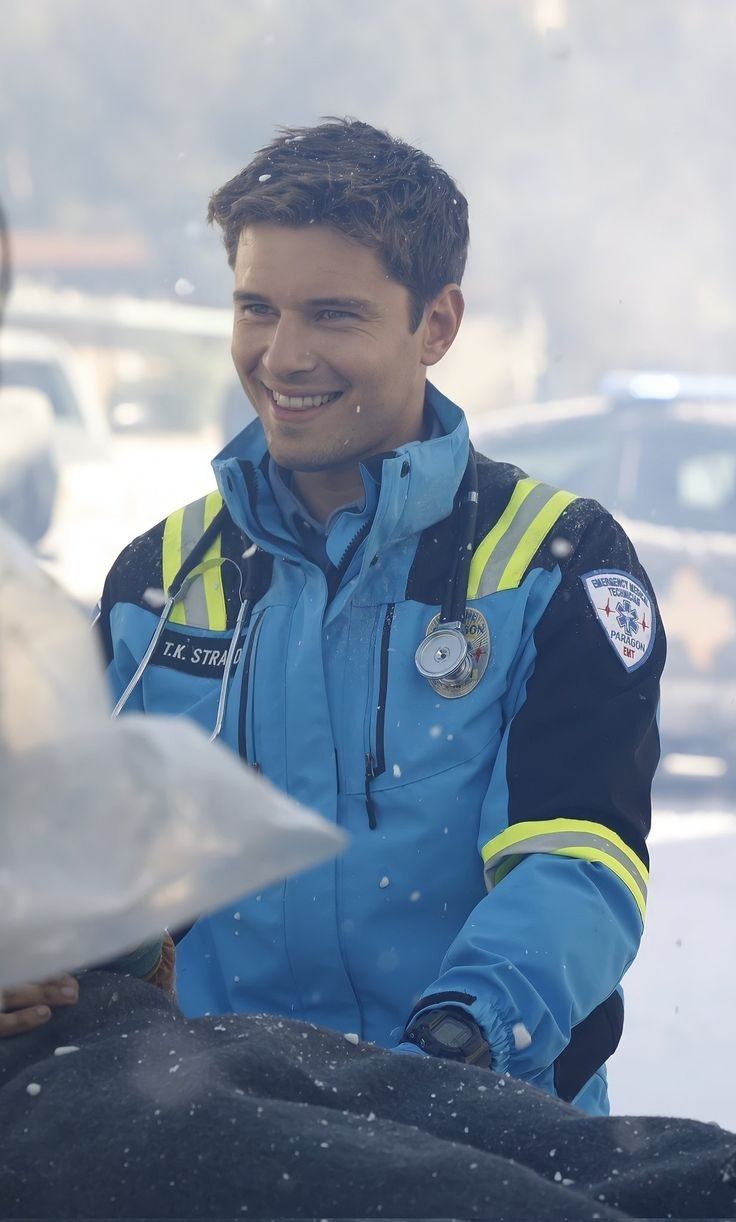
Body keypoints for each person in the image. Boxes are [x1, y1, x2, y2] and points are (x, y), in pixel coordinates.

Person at [92, 118, 664, 1116]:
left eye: (333, 315)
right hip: (213, 1134)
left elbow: (576, 863)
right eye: (256, 308)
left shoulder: (552, 562)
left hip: (484, 1129)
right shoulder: (159, 578)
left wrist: (448, 1053)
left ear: (435, 325)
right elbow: (97, 870)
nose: (283, 354)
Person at [2, 968, 734, 1222]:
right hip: (94, 1076)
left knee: (576, 1157)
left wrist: (466, 1027)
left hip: (177, 1040)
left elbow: (574, 856)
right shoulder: (140, 614)